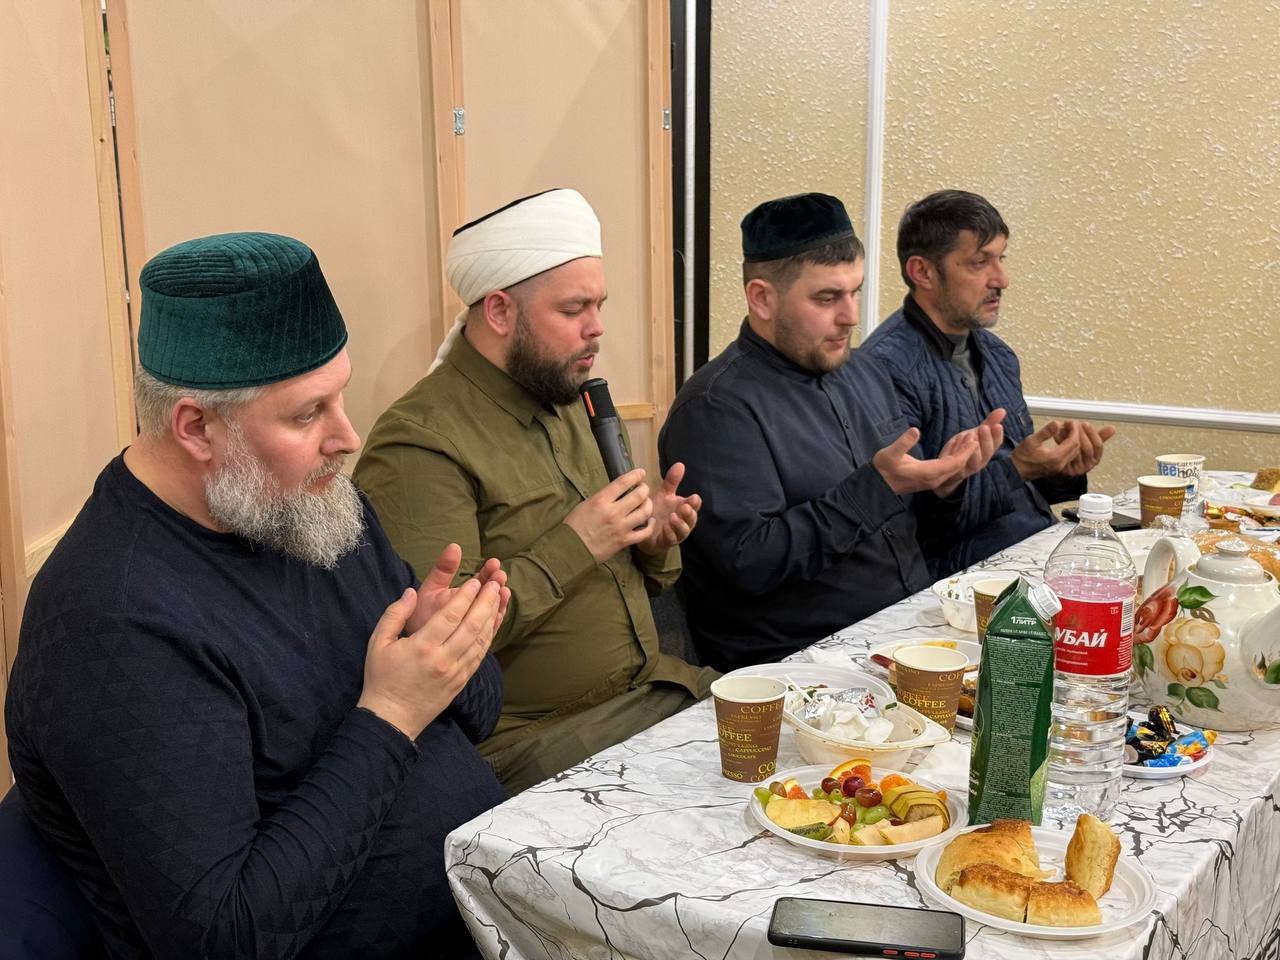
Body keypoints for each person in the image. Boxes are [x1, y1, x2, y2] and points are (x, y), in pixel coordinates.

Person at [5, 232, 511, 959]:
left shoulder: (311, 509)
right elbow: (226, 937)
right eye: (308, 414)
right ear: (196, 427)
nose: (348, 437)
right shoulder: (112, 619)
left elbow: (479, 718)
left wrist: (447, 651)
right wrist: (393, 714)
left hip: (489, 911)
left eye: (340, 395)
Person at [354, 189, 716, 795]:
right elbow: (438, 646)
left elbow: (647, 584)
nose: (596, 328)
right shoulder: (419, 441)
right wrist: (580, 542)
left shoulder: (569, 394)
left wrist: (650, 538)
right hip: (542, 744)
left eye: (599, 305)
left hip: (659, 691)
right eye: (574, 309)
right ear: (499, 311)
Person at [658, 193, 1004, 671]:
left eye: (855, 292)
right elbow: (749, 565)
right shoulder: (716, 408)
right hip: (804, 665)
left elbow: (909, 532)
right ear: (762, 298)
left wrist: (942, 485)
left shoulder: (864, 372)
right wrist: (877, 487)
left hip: (907, 628)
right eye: (827, 298)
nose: (851, 316)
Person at [860, 189, 1115, 576]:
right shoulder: (882, 369)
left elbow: (1023, 493)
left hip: (1035, 552)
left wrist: (1061, 471)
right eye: (980, 263)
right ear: (923, 272)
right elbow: (911, 525)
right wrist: (1018, 469)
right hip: (962, 582)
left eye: (1001, 259)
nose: (1002, 279)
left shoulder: (998, 355)